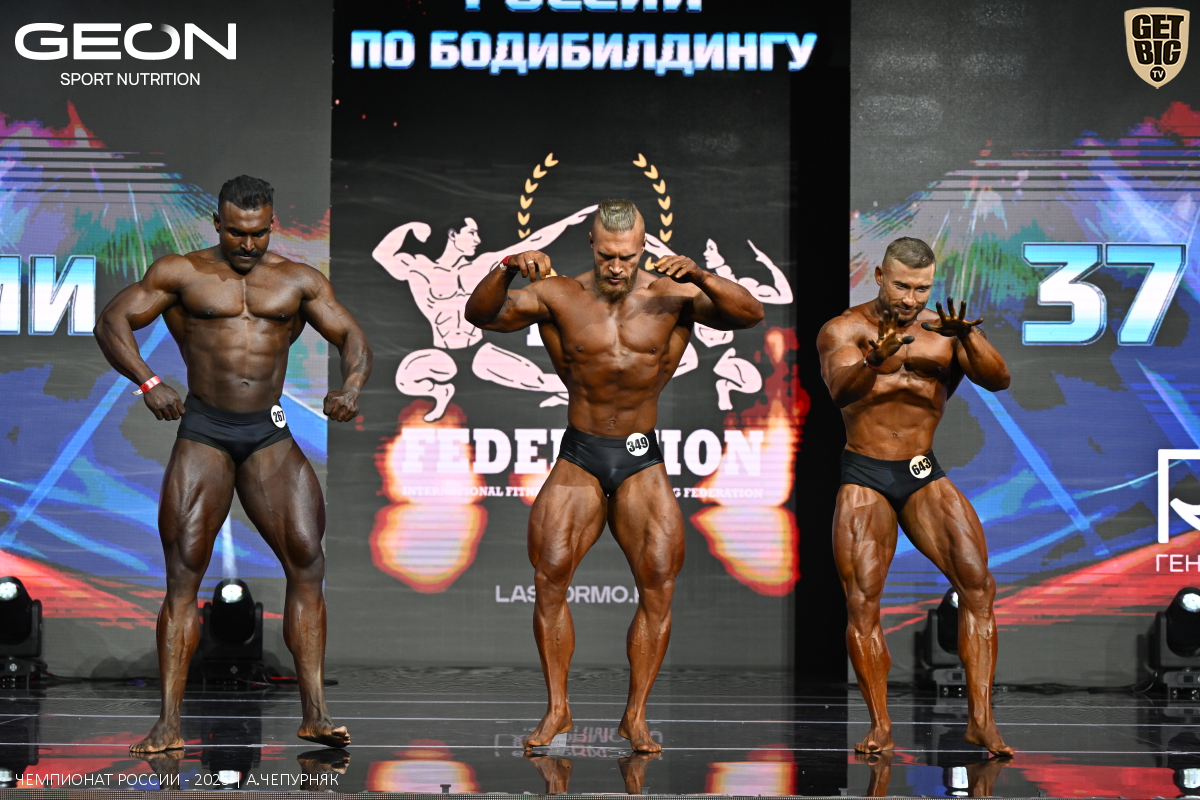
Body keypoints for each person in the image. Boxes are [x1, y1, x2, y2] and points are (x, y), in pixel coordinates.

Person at [464, 199, 764, 752]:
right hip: (581, 453)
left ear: (643, 248)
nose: (617, 267)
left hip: (640, 457)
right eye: (607, 256)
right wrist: (505, 267)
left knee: (658, 582)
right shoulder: (559, 294)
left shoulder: (672, 294)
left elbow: (750, 314)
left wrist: (701, 275)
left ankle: (636, 715)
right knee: (550, 575)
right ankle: (558, 709)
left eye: (627, 256)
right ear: (592, 246)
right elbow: (480, 315)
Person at [94, 175, 371, 755]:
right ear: (217, 224)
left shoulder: (298, 280)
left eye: (260, 233)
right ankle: (168, 725)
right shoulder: (181, 273)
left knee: (308, 561)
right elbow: (112, 320)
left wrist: (350, 388)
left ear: (271, 225)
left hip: (267, 433)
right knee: (183, 574)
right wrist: (147, 381)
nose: (249, 245)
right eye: (238, 233)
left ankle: (316, 714)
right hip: (205, 432)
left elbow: (351, 335)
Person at [817, 236, 1014, 757]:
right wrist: (872, 362)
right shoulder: (844, 329)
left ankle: (981, 720)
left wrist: (968, 338)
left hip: (922, 471)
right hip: (865, 474)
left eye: (921, 289)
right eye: (902, 286)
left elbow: (999, 380)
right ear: (880, 276)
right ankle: (880, 726)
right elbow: (839, 391)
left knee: (979, 586)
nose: (910, 299)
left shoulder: (943, 332)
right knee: (863, 602)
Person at [372, 208, 595, 421]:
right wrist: (411, 227)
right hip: (442, 352)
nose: (477, 240)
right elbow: (382, 254)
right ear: (453, 235)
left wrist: (570, 220)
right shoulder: (422, 269)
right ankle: (441, 394)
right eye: (471, 233)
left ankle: (596, 400)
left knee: (539, 381)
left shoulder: (480, 265)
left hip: (478, 351)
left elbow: (534, 242)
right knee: (406, 380)